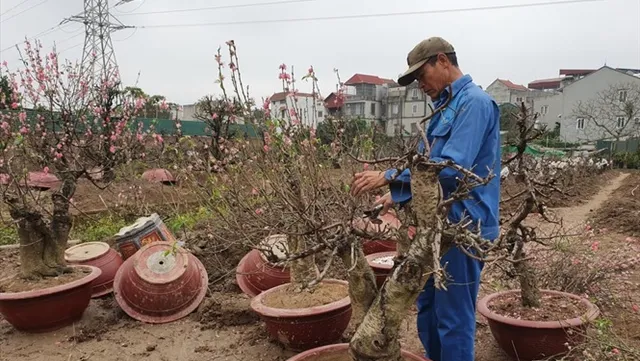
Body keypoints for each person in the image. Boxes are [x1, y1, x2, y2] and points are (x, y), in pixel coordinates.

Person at [350, 37, 501, 361]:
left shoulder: (473, 103)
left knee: (453, 318)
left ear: (443, 61)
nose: (420, 85)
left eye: (422, 76)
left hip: (464, 225)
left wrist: (389, 176)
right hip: (436, 226)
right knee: (428, 309)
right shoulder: (443, 109)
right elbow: (422, 169)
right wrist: (397, 194)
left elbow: (451, 169)